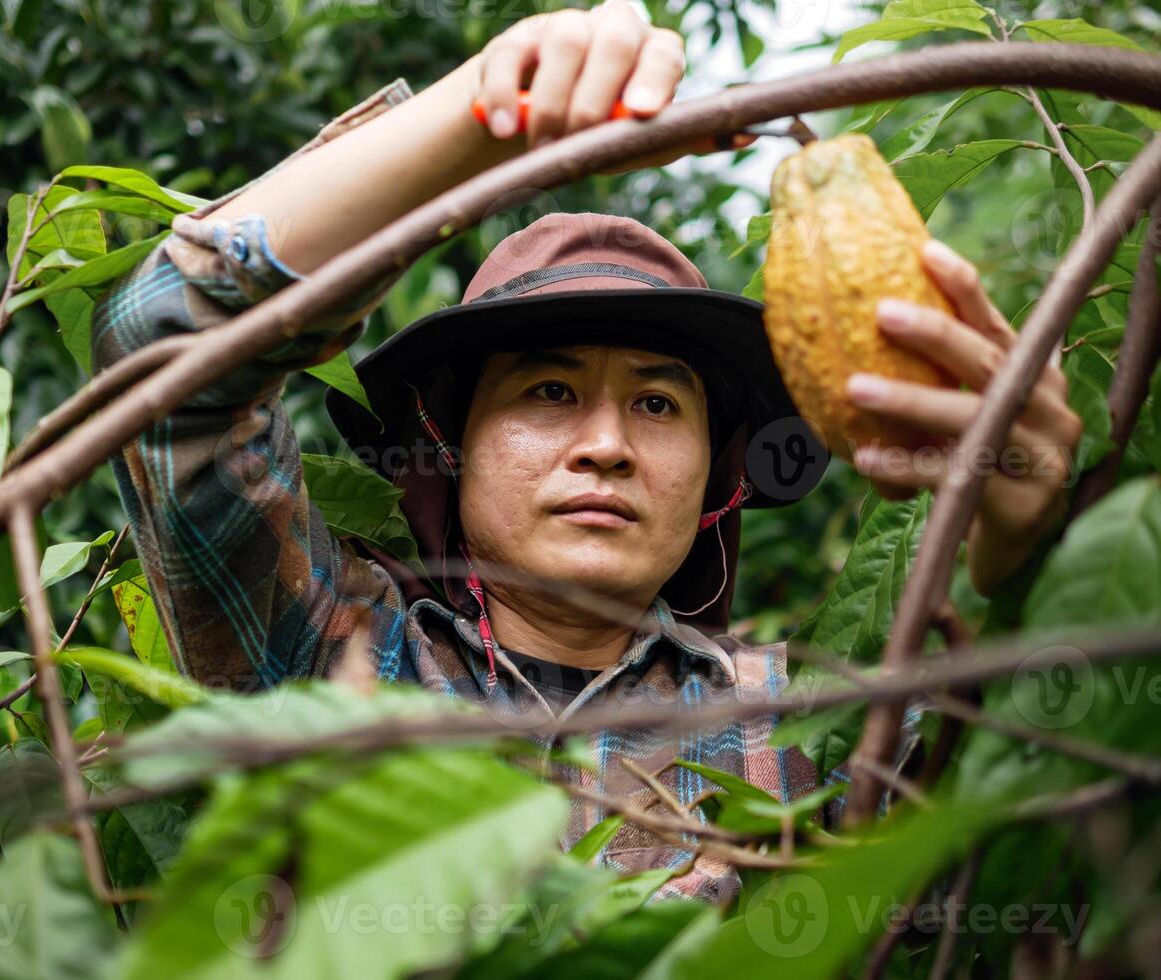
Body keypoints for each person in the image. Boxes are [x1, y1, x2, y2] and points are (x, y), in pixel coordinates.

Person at [92, 0, 1082, 902]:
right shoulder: (329, 661)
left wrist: (1024, 562)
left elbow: (1068, 818)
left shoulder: (799, 725)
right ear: (450, 445)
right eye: (549, 391)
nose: (606, 445)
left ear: (714, 475)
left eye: (657, 403)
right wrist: (472, 121)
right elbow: (160, 344)